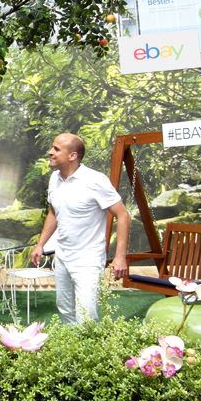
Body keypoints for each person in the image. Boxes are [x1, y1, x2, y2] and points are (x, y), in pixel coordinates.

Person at [30, 133, 130, 325]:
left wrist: (120, 257)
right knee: (65, 310)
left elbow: (123, 215)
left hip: (88, 260)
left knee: (86, 316)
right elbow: (53, 212)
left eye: (56, 149)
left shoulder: (95, 180)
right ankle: (71, 352)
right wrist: (40, 245)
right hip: (62, 256)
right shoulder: (54, 179)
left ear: (72, 156)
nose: (50, 152)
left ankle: (92, 352)